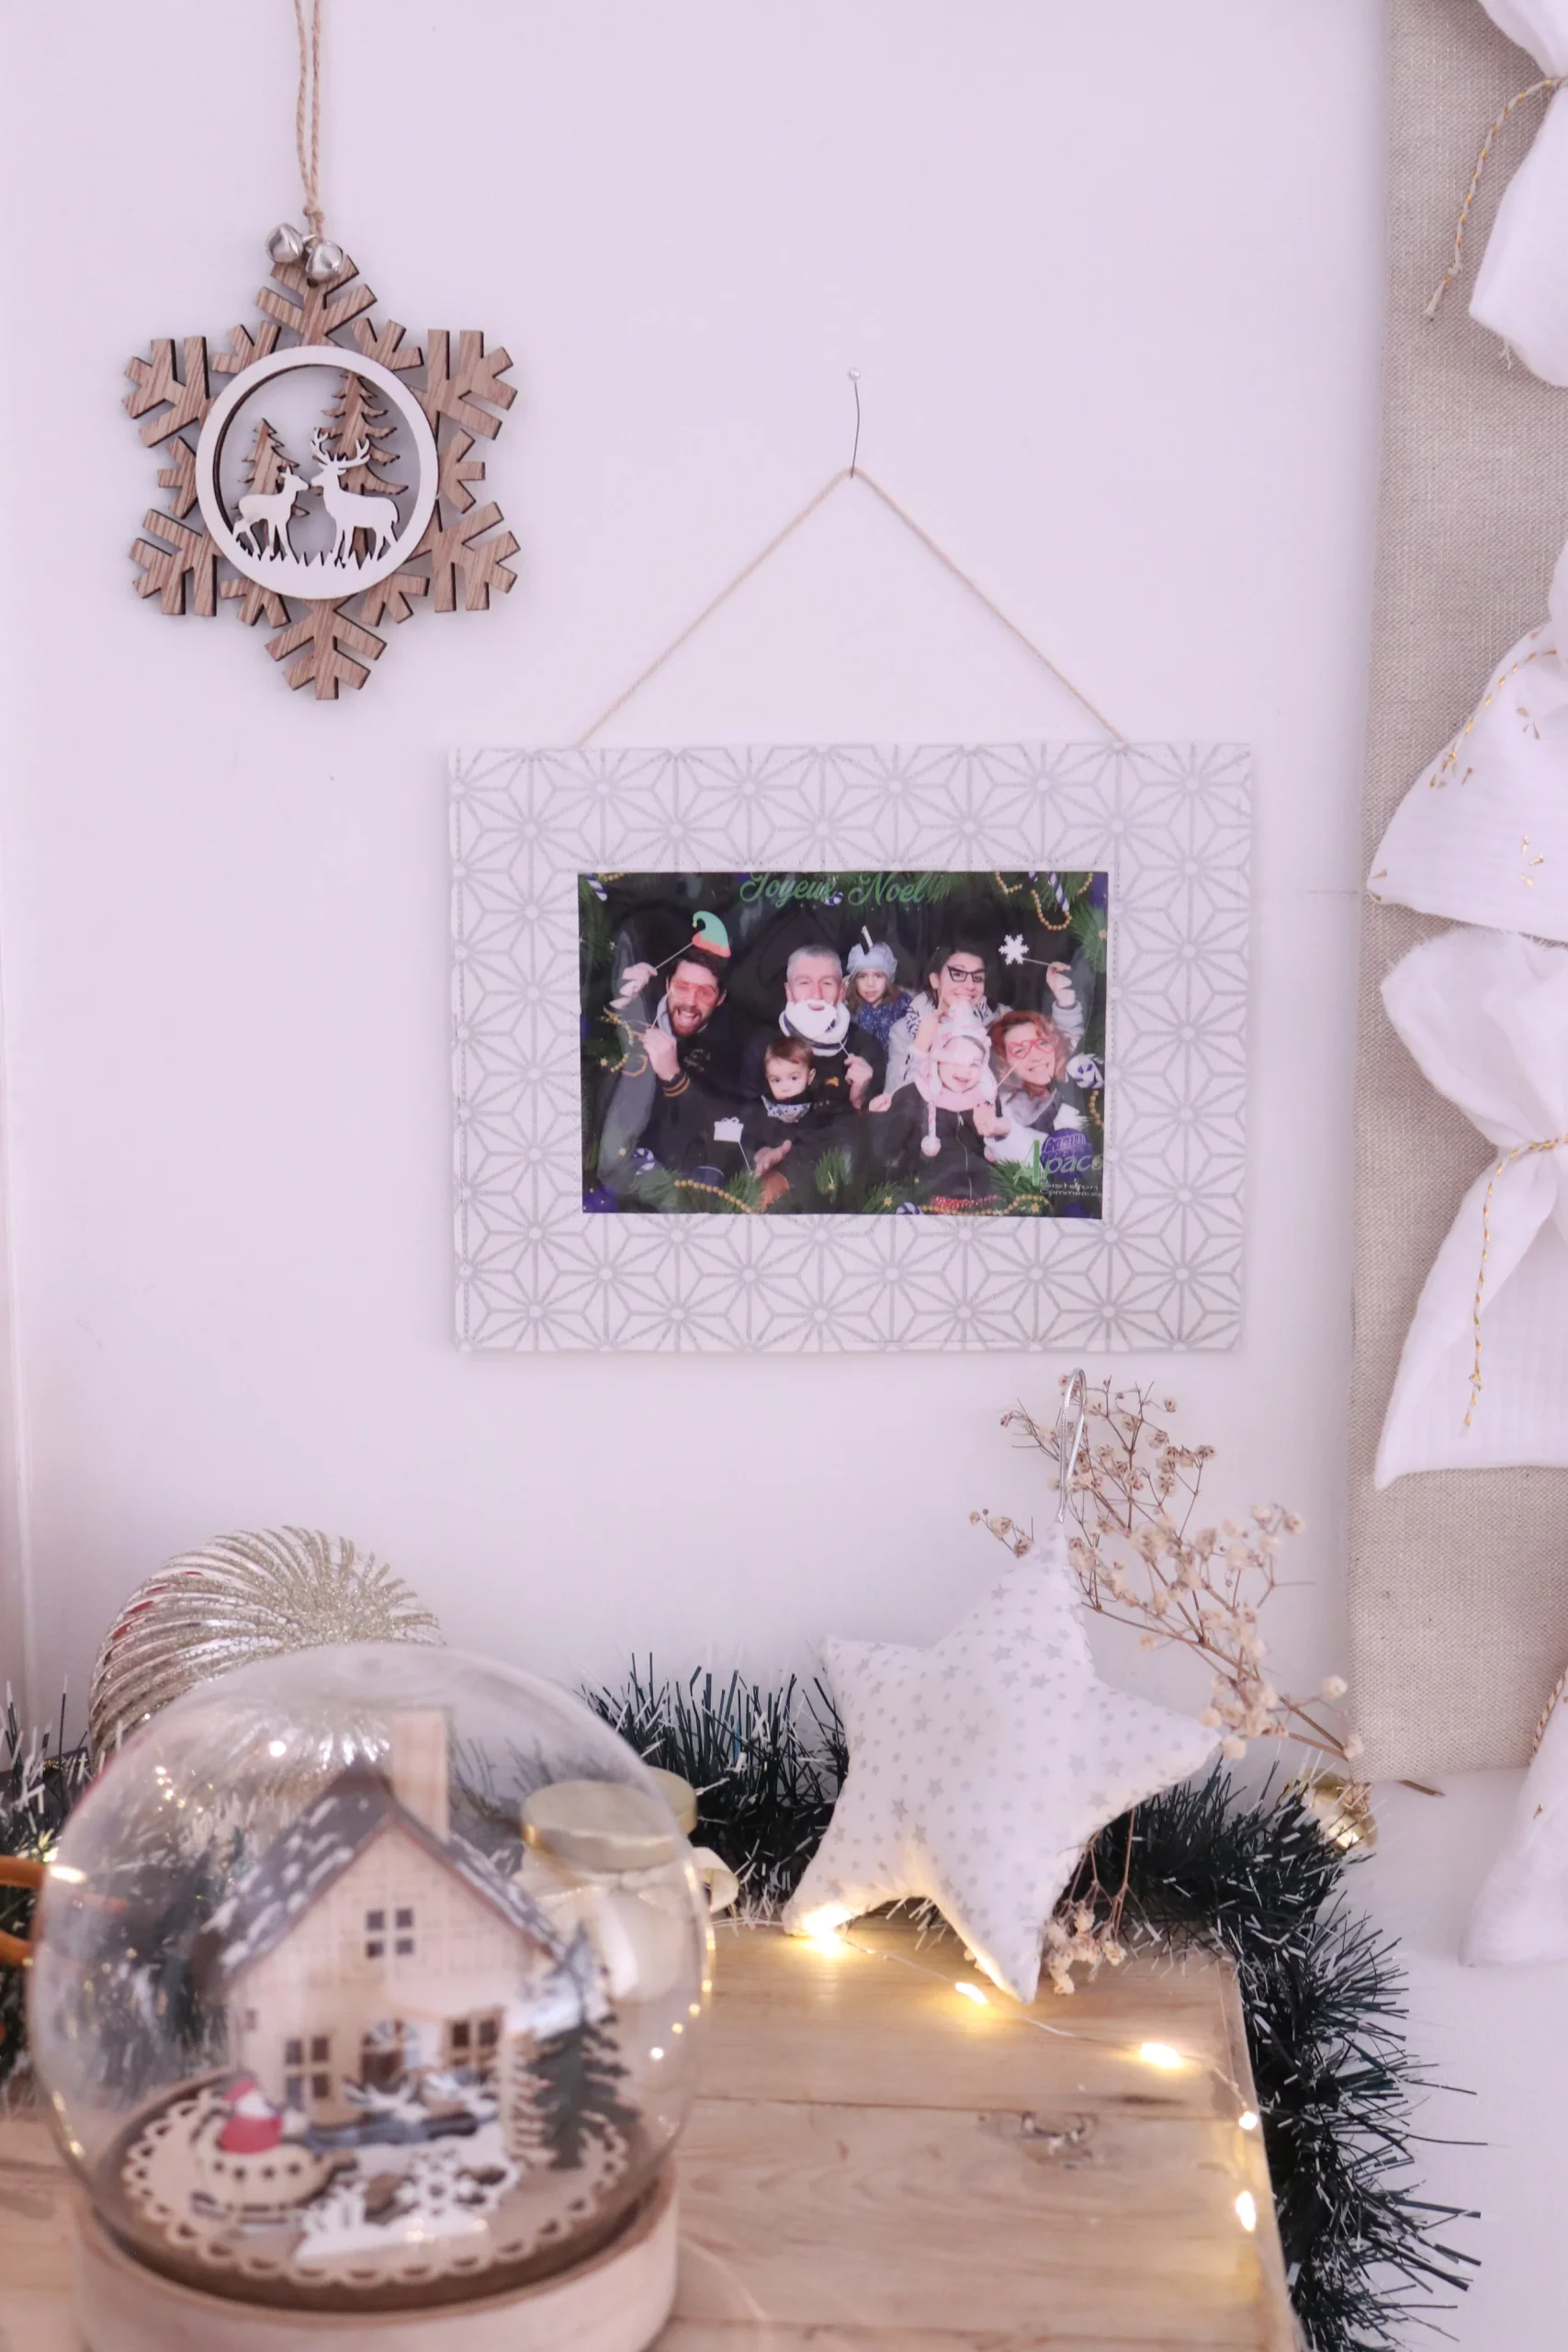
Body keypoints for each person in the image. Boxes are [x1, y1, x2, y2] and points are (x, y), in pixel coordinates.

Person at [594, 944, 744, 1198]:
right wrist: (617, 1000)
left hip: (669, 1176)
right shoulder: (641, 1003)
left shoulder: (731, 1047)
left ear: (720, 999)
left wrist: (674, 1078)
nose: (690, 1002)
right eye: (682, 987)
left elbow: (721, 1126)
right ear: (667, 985)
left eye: (705, 993)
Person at [866, 1007, 1010, 1208]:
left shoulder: (986, 1099)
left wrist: (1000, 1132)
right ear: (937, 1059)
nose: (965, 1072)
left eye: (974, 1064)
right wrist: (879, 1118)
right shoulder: (914, 1094)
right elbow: (884, 1152)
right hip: (927, 1202)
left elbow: (1004, 1158)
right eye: (955, 1061)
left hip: (984, 1201)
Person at [744, 944, 883, 1113]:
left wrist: (858, 1100)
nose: (816, 994)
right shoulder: (762, 1046)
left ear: (841, 991)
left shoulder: (865, 1047)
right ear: (789, 992)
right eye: (804, 983)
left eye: (827, 983)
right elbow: (746, 1115)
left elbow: (878, 1124)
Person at [883, 940, 1004, 1095]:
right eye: (958, 975)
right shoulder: (903, 1031)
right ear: (935, 980)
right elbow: (893, 1099)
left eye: (978, 978)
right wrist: (920, 1047)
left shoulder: (997, 1022)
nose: (970, 985)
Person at [989, 1010, 1090, 1139]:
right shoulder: (1017, 1115)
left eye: (1042, 1042)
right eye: (1019, 1051)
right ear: (1004, 1063)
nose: (1036, 1056)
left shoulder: (1079, 1070)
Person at [844, 934, 912, 1055]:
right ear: (854, 980)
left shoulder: (904, 1009)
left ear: (888, 978)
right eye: (862, 976)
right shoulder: (847, 1012)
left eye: (878, 976)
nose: (870, 983)